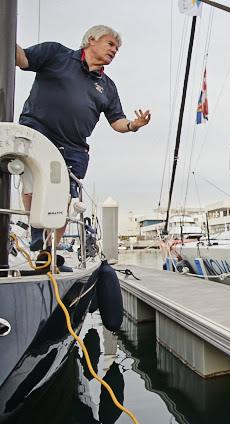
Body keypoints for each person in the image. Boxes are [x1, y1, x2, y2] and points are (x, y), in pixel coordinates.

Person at [15, 25, 151, 254]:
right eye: (110, 44)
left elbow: (116, 121)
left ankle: (48, 252)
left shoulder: (107, 87)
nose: (114, 51)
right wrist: (6, 35)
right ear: (91, 40)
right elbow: (23, 60)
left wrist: (133, 126)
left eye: (117, 49)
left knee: (64, 199)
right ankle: (37, 233)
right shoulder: (56, 54)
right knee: (33, 186)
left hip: (74, 147)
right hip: (39, 132)